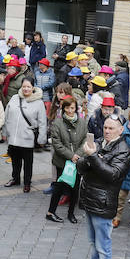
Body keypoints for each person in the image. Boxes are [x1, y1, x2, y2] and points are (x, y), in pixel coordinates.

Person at [71, 115, 130, 259]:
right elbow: (80, 167)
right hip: (90, 199)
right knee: (93, 242)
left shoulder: (123, 151)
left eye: (111, 128)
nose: (106, 131)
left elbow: (111, 175)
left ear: (121, 130)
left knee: (103, 245)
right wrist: (90, 158)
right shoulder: (97, 142)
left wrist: (93, 157)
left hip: (104, 203)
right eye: (105, 127)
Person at [46, 95, 88, 224]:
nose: (70, 111)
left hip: (77, 161)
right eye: (67, 108)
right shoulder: (57, 123)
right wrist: (71, 155)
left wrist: (77, 155)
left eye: (72, 108)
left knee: (75, 188)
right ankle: (51, 212)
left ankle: (71, 213)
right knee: (58, 187)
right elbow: (57, 144)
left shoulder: (82, 122)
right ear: (63, 108)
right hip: (62, 161)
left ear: (76, 109)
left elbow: (85, 140)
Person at [3, 78, 48, 192]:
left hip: (28, 137)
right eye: (24, 86)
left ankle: (27, 182)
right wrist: (5, 132)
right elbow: (6, 116)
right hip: (14, 136)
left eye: (28, 86)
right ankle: (15, 178)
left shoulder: (39, 102)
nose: (26, 89)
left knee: (28, 163)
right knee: (15, 161)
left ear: (33, 87)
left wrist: (42, 139)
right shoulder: (15, 98)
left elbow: (43, 122)